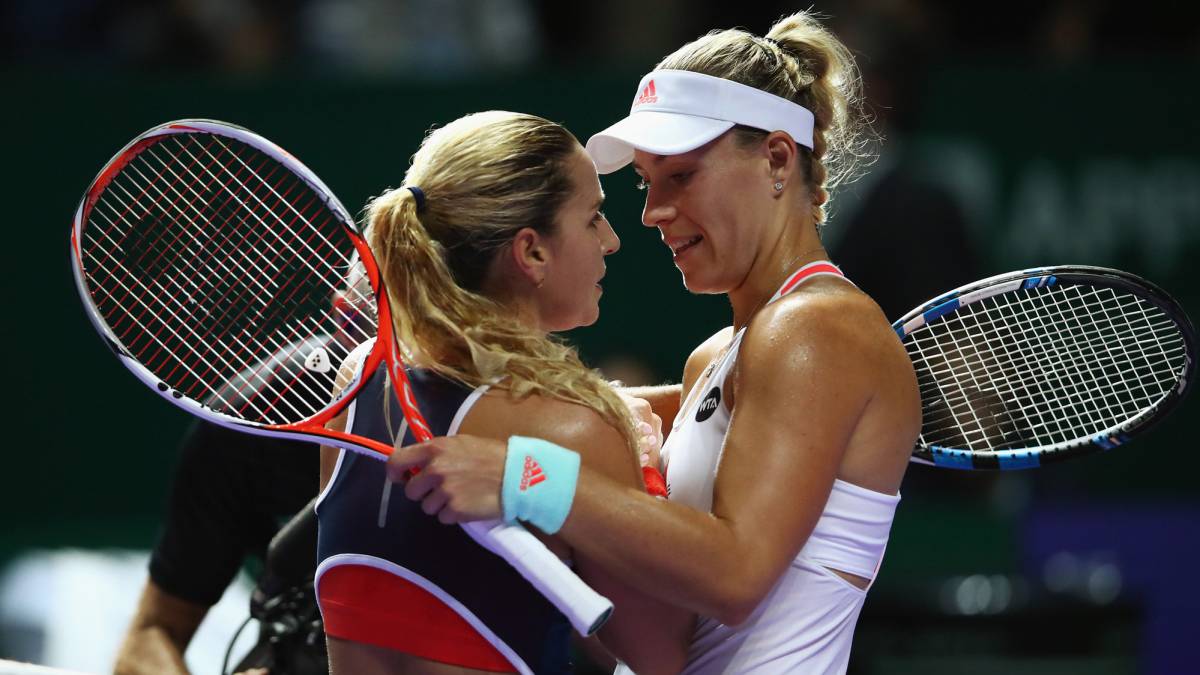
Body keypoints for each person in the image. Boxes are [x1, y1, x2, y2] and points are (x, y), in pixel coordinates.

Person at [387, 11, 923, 674]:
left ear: (777, 159)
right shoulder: (717, 359)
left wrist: (522, 477)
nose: (651, 213)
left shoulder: (817, 328)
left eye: (682, 176)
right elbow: (640, 629)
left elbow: (736, 575)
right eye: (647, 181)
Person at [314, 110, 689, 675]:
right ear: (532, 252)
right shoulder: (572, 429)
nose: (611, 241)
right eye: (593, 218)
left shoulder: (360, 378)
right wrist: (646, 473)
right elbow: (660, 655)